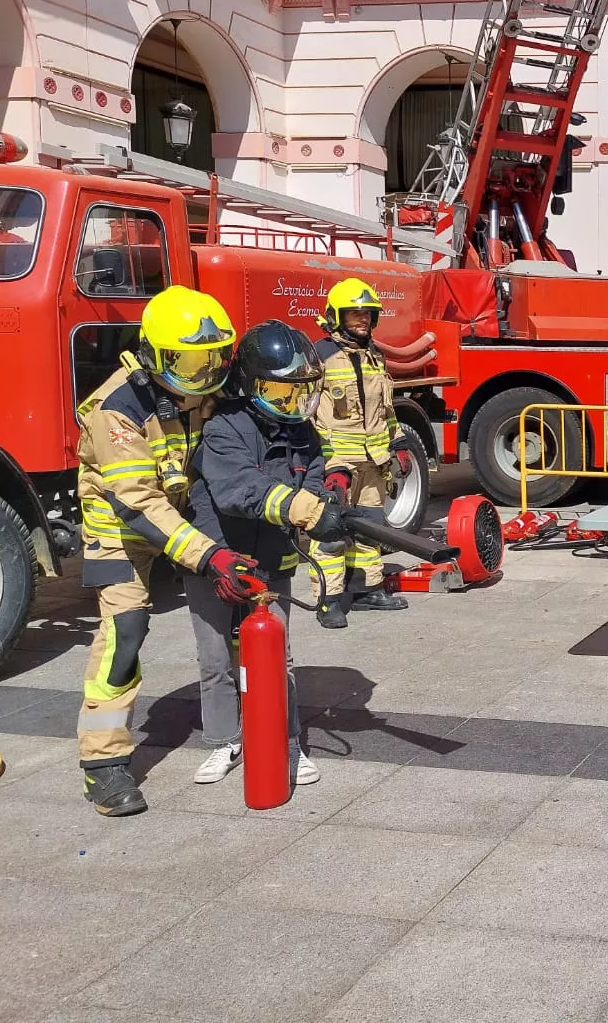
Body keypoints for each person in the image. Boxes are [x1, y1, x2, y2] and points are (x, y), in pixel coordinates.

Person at [73, 286, 257, 817]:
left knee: (239, 610)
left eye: (212, 358)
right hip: (122, 525)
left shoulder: (202, 388)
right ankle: (103, 766)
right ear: (155, 354)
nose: (204, 375)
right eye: (190, 361)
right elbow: (137, 504)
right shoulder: (116, 409)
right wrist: (209, 555)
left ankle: (247, 720)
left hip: (183, 514)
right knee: (124, 631)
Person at [186, 321, 348, 788]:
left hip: (272, 556)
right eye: (280, 393)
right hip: (215, 555)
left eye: (298, 393)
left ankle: (286, 742)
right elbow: (240, 489)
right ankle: (224, 742)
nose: (291, 404)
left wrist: (330, 491)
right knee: (216, 656)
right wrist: (301, 506)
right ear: (251, 384)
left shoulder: (300, 430)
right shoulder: (224, 428)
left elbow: (313, 474)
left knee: (278, 656)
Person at [309, 278, 414, 627]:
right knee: (330, 534)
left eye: (367, 315)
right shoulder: (318, 357)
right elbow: (304, 416)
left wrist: (397, 444)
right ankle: (329, 600)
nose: (362, 321)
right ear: (336, 316)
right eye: (354, 314)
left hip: (373, 464)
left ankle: (366, 589)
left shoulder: (375, 358)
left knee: (371, 529)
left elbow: (386, 411)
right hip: (337, 466)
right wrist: (323, 462)